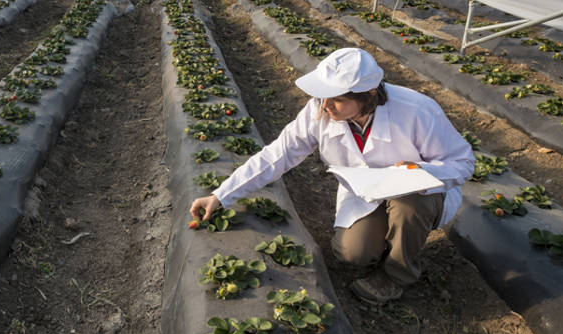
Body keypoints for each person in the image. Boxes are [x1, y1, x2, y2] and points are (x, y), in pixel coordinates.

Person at [189, 47, 475, 303]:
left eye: (337, 100)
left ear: (369, 95)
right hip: (364, 193)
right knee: (353, 254)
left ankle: (397, 276)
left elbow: (462, 162)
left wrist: (418, 172)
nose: (326, 106)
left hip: (419, 196)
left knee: (409, 204)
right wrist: (221, 195)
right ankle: (389, 241)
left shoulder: (416, 111)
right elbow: (279, 153)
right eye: (323, 97)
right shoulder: (321, 109)